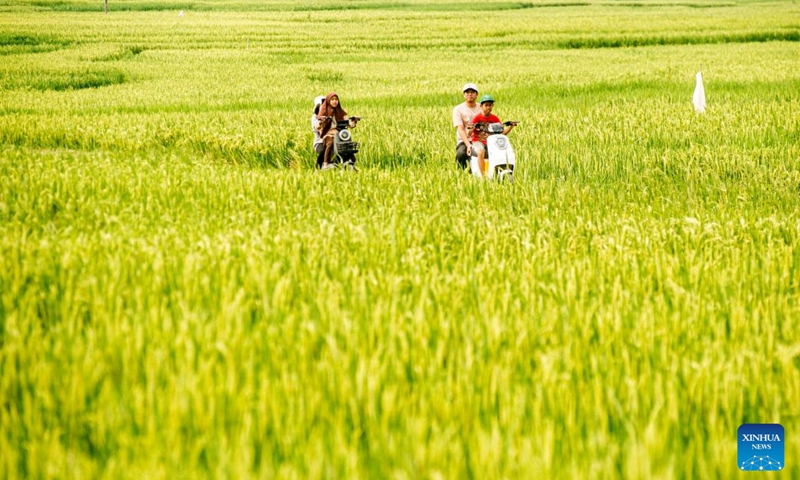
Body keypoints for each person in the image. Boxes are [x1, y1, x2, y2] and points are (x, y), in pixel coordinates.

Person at [470, 94, 515, 177]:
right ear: (481, 106)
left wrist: (510, 127)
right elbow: (469, 132)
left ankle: (499, 173)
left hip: (492, 142)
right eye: (486, 105)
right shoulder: (477, 118)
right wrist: (472, 128)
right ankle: (483, 176)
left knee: (503, 152)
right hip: (478, 141)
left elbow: (502, 133)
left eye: (490, 105)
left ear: (493, 106)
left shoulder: (495, 118)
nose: (488, 107)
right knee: (480, 152)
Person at [316, 92, 358, 169]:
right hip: (328, 135)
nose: (335, 101)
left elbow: (349, 123)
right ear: (328, 101)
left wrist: (354, 121)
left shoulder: (340, 111)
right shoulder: (324, 111)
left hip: (340, 134)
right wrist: (322, 122)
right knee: (330, 143)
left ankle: (351, 160)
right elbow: (317, 127)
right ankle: (325, 162)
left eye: (336, 99)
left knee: (347, 144)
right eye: (332, 99)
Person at [452, 83, 481, 170]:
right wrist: (468, 145)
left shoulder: (481, 107)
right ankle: (461, 174)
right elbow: (460, 129)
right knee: (461, 154)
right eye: (467, 92)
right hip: (465, 140)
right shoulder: (458, 109)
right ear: (464, 94)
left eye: (472, 92)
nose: (470, 94)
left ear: (476, 94)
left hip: (479, 139)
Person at [311, 95, 326, 168]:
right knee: (324, 151)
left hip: (333, 140)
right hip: (320, 142)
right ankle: (318, 167)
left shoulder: (332, 114)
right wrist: (321, 122)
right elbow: (317, 127)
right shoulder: (315, 117)